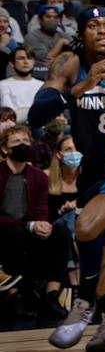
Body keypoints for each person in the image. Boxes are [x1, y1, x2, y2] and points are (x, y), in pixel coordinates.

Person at [34, 8, 105, 352]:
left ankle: (82, 305)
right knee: (98, 257)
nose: (102, 31)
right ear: (82, 32)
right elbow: (37, 115)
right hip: (92, 174)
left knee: (85, 227)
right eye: (93, 26)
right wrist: (82, 86)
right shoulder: (69, 63)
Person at [0, 124, 69, 308]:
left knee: (60, 232)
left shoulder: (38, 176)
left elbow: (41, 210)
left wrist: (43, 224)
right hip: (4, 230)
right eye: (16, 142)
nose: (22, 145)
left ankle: (52, 294)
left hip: (28, 227)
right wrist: (30, 225)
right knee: (15, 233)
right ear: (5, 148)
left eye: (25, 141)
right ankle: (14, 295)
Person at [0, 46, 43, 117]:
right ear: (12, 63)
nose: (26, 62)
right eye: (21, 58)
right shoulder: (3, 85)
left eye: (29, 58)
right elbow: (8, 111)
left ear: (34, 62)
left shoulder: (42, 85)